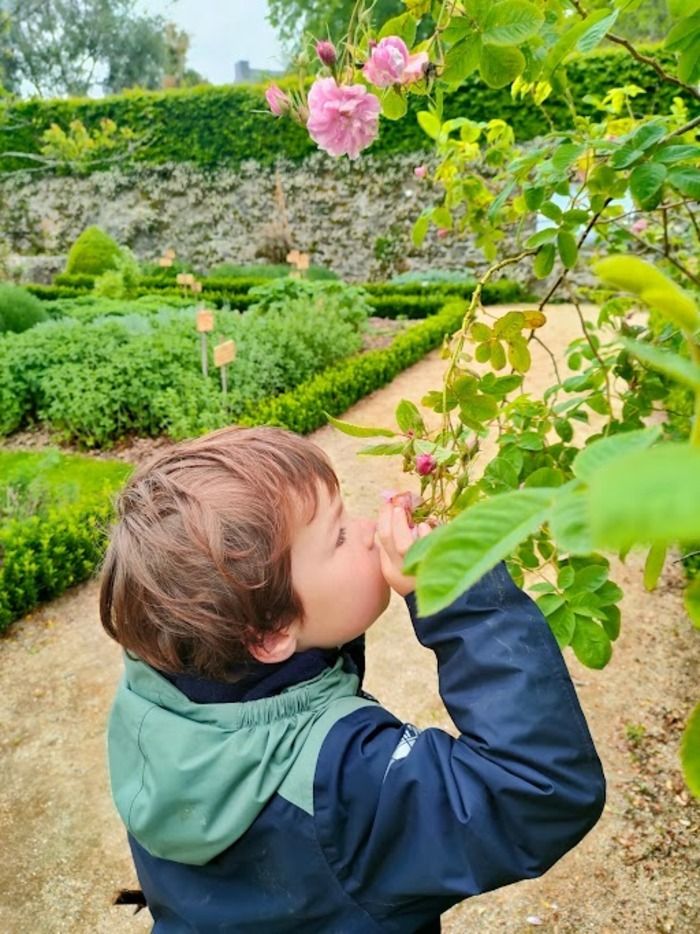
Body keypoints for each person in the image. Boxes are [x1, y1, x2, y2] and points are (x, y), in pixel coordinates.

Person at [100, 425, 605, 933]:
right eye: (339, 535)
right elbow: (539, 791)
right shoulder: (345, 780)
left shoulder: (156, 693)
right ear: (271, 632)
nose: (367, 530)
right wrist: (459, 595)